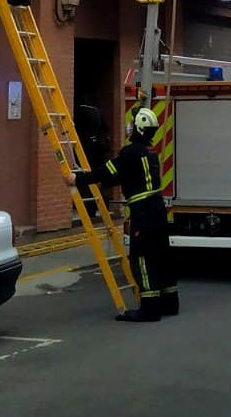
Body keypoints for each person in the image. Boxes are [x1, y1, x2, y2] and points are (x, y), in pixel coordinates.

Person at [67, 107, 177, 322]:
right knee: (162, 255)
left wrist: (77, 179)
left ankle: (150, 308)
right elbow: (124, 176)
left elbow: (107, 172)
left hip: (143, 212)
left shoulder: (130, 152)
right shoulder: (150, 152)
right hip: (157, 209)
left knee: (142, 258)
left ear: (137, 127)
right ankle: (170, 302)